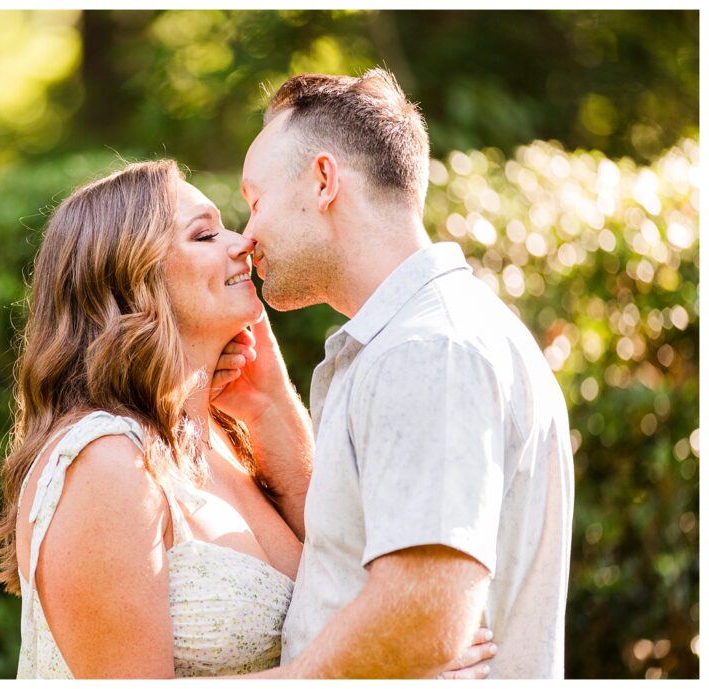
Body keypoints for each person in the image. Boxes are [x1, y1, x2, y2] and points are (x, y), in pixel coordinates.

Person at [0, 159, 496, 678]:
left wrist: (273, 406)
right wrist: (368, 674)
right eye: (205, 234)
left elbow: (346, 568)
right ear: (131, 280)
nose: (242, 243)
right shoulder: (104, 463)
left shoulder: (221, 441)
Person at [216, 68, 575, 678]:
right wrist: (272, 406)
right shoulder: (416, 338)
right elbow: (360, 553)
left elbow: (428, 612)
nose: (246, 236)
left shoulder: (430, 350)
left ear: (324, 180)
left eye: (256, 202)